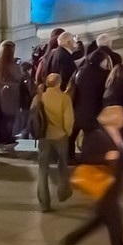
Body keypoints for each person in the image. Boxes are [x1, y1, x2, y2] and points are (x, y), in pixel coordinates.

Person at [59, 105, 123, 245]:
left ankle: (68, 243)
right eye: (122, 116)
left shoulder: (117, 135)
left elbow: (122, 160)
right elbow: (85, 157)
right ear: (114, 118)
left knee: (95, 223)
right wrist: (105, 156)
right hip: (104, 186)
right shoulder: (97, 136)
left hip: (112, 186)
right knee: (116, 224)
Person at [32, 73, 74, 211]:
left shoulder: (39, 97)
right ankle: (63, 192)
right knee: (62, 165)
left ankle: (44, 202)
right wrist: (67, 132)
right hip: (60, 136)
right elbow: (68, 119)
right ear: (59, 83)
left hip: (44, 136)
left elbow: (33, 117)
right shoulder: (64, 98)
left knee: (43, 170)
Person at [0, 40, 26, 150]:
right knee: (10, 116)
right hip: (11, 92)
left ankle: (0, 137)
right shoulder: (11, 65)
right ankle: (8, 136)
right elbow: (19, 77)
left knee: (0, 116)